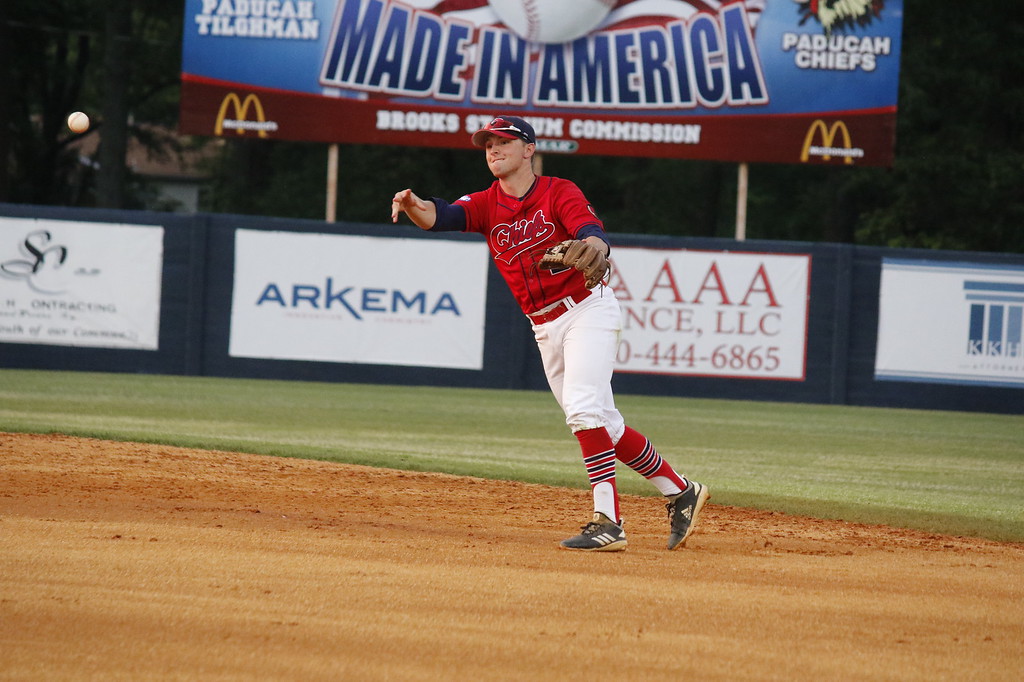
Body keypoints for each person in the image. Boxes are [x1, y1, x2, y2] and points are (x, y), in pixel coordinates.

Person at [390, 115, 708, 551]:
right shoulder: (486, 204)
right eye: (487, 145)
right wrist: (411, 204)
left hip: (586, 311)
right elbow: (439, 216)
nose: (493, 150)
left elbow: (592, 234)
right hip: (544, 326)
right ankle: (680, 491)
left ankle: (609, 522)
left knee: (583, 411)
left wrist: (595, 249)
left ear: (528, 149)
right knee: (603, 423)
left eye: (502, 142)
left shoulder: (559, 191)